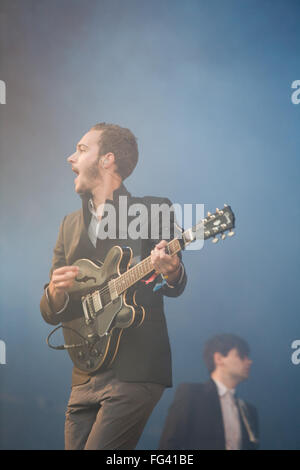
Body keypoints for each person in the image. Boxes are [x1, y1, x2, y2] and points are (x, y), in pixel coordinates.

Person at [40, 123, 187, 450]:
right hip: (85, 370)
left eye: (80, 149)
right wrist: (55, 291)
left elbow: (174, 282)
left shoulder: (152, 209)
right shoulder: (69, 225)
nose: (69, 158)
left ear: (107, 160)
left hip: (134, 368)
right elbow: (51, 311)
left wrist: (171, 271)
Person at [159, 334, 259, 450]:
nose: (249, 361)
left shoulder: (248, 411)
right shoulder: (191, 394)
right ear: (219, 358)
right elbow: (169, 443)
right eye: (242, 356)